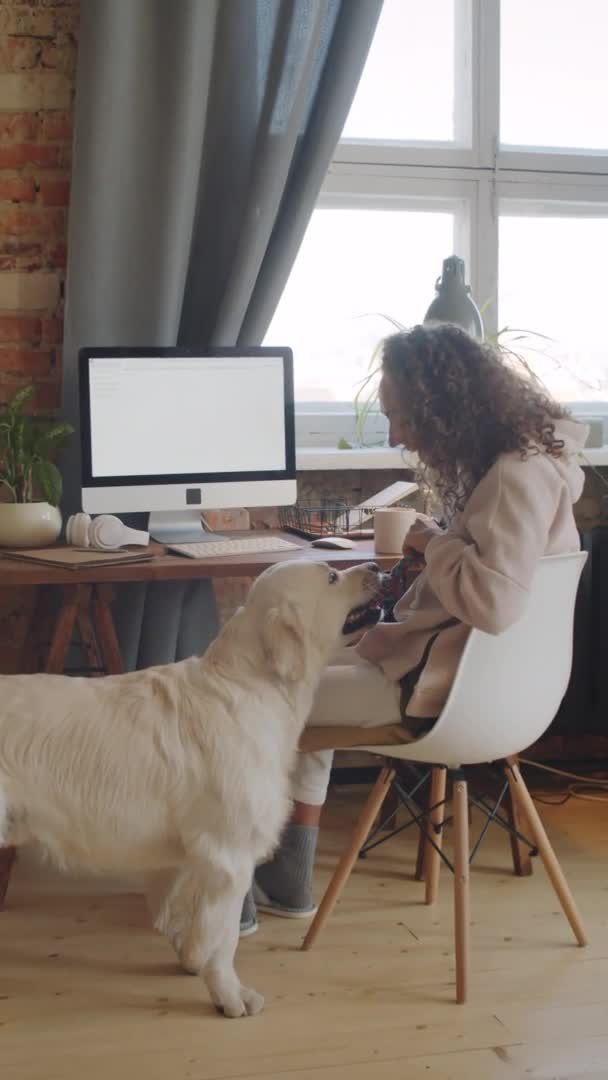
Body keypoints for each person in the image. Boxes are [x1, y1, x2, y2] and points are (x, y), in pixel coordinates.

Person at [241, 322, 588, 934]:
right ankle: (282, 872)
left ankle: (241, 877)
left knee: (261, 697)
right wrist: (442, 543)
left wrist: (432, 545)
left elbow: (496, 604)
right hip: (461, 676)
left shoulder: (513, 476)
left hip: (445, 688)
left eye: (402, 416)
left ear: (446, 407)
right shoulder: (523, 465)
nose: (397, 434)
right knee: (289, 674)